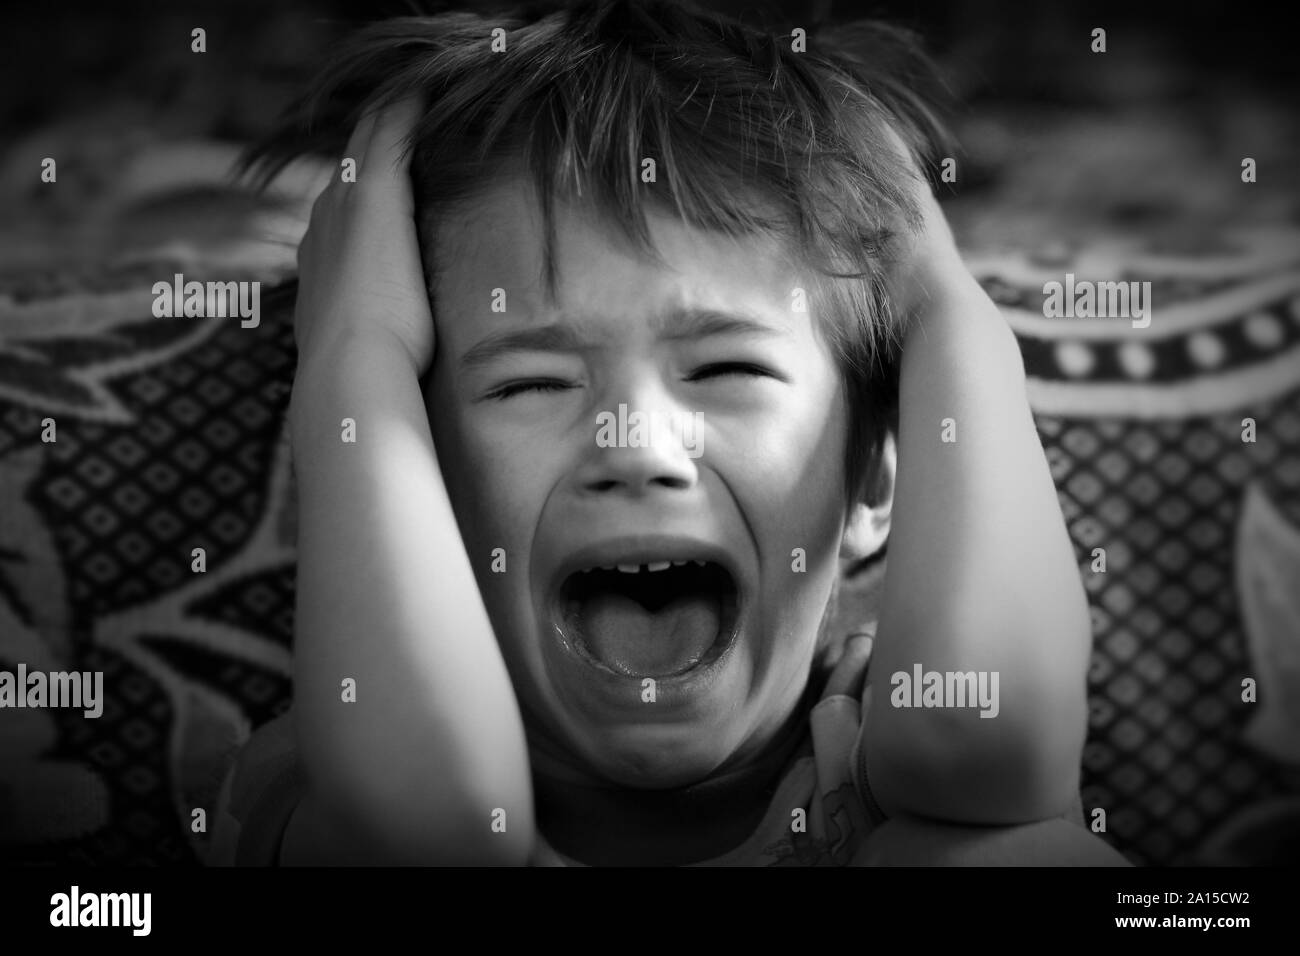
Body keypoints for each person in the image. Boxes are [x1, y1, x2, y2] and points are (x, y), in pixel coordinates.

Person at [210, 0, 1128, 866]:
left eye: (730, 370)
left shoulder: (887, 747)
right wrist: (354, 351)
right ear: (418, 489)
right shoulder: (327, 768)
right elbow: (430, 835)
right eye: (532, 381)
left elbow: (989, 746)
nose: (636, 444)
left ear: (877, 482)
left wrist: (942, 302)